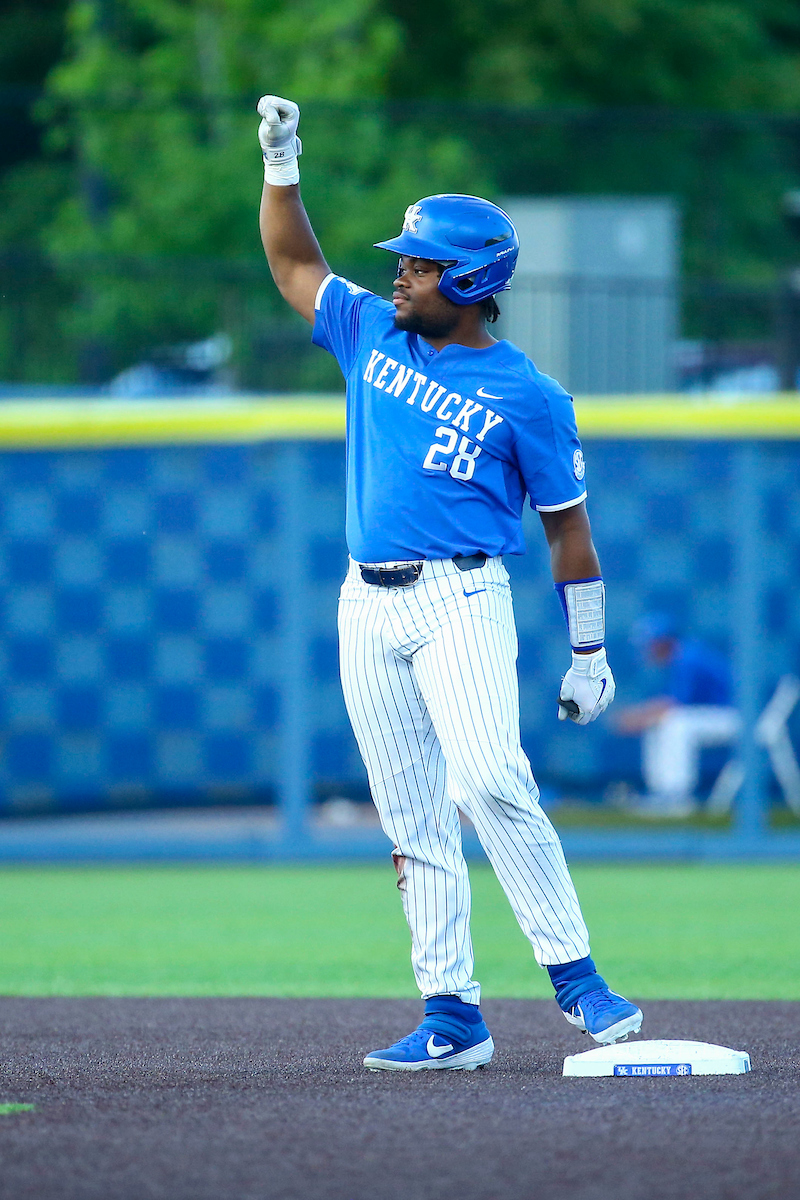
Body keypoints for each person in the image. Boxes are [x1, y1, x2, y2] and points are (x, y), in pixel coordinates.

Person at [257, 95, 642, 1071]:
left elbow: (568, 530)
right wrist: (281, 165)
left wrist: (589, 650)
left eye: (421, 264)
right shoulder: (370, 334)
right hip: (364, 601)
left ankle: (576, 978)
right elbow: (294, 266)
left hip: (460, 599)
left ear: (469, 281)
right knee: (411, 815)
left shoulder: (529, 396)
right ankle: (451, 1014)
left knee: (489, 779)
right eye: (404, 259)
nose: (401, 272)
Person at [615, 613, 738, 816]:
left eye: (649, 644)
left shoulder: (688, 657)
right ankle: (661, 794)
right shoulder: (683, 654)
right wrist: (643, 716)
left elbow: (675, 704)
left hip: (736, 716)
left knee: (675, 723)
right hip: (716, 715)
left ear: (663, 642)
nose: (647, 650)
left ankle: (677, 797)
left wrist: (637, 717)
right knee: (662, 723)